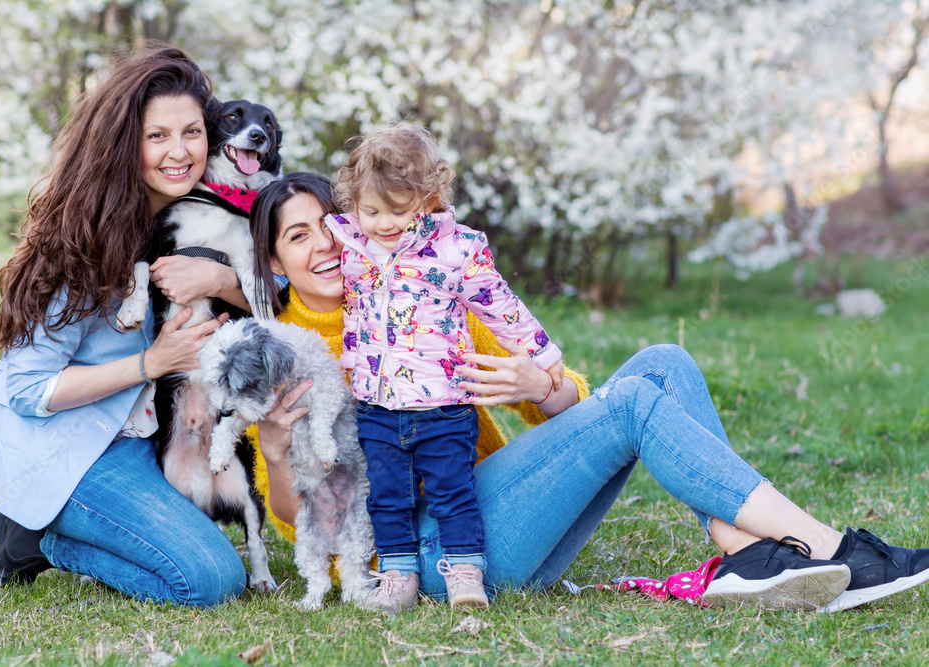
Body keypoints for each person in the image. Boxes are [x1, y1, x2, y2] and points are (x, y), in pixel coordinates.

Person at [161, 174, 929, 615]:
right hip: (433, 555)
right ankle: (834, 551)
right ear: (276, 263)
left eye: (329, 224)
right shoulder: (285, 350)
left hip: (502, 503)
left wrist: (541, 383)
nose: (323, 244)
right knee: (634, 404)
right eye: (297, 237)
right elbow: (300, 525)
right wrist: (268, 441)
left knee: (660, 361)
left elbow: (573, 406)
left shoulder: (426, 290)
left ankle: (750, 557)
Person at [0, 45, 249, 607]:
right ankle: (38, 541)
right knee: (210, 581)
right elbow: (29, 390)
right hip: (67, 446)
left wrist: (219, 281)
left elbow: (272, 299)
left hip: (137, 437)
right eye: (157, 136)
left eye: (192, 132)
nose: (180, 152)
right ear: (126, 142)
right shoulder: (80, 237)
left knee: (215, 570)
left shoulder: (191, 218)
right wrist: (152, 363)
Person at [320, 123, 565, 612]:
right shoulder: (351, 249)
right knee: (388, 497)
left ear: (429, 200)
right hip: (377, 406)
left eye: (399, 212)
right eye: (371, 211)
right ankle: (397, 575)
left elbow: (503, 306)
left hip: (446, 407)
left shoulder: (456, 252)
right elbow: (333, 297)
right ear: (354, 204)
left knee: (453, 491)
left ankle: (465, 571)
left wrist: (542, 355)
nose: (384, 224)